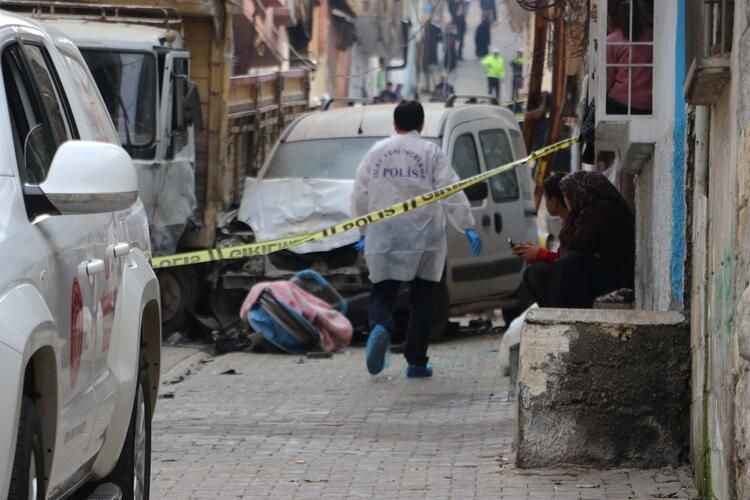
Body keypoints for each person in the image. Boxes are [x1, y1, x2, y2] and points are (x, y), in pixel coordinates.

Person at [351, 101, 482, 378]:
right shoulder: (430, 151)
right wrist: (466, 225)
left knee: (383, 290)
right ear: (421, 125)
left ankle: (380, 325)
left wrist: (363, 230)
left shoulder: (376, 152)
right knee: (423, 298)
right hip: (425, 235)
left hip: (384, 232)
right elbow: (450, 189)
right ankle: (416, 362)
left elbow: (360, 193)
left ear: (394, 123)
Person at [520, 171, 635, 309]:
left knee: (567, 267)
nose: (566, 200)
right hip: (597, 275)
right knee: (537, 272)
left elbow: (577, 248)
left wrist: (542, 254)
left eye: (566, 195)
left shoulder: (600, 212)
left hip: (615, 276)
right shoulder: (583, 215)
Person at [606, 0, 654, 114]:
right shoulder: (653, 36)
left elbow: (607, 79)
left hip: (618, 102)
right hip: (648, 104)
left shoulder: (612, 41)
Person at [512, 172, 569, 264]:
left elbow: (564, 263)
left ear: (554, 201)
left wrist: (539, 254)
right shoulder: (571, 224)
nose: (545, 202)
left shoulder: (573, 228)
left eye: (546, 198)